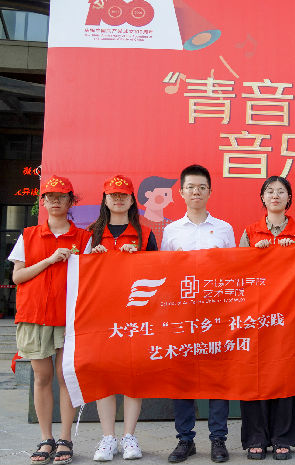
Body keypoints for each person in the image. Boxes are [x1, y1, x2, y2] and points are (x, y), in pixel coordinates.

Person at [8, 175, 91, 464]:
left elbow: (92, 278)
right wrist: (50, 259)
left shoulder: (83, 238)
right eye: (50, 196)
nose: (55, 201)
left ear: (70, 201)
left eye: (61, 196)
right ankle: (46, 439)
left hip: (70, 318)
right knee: (42, 378)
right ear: (42, 202)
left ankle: (66, 439)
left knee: (66, 376)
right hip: (34, 316)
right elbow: (17, 276)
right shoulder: (29, 235)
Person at [161, 165, 235, 463]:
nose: (196, 192)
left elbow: (234, 272)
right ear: (181, 192)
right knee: (182, 377)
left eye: (202, 187)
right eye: (190, 187)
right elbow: (164, 273)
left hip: (216, 314)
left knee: (218, 377)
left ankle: (218, 439)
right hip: (182, 314)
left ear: (209, 192)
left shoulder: (225, 229)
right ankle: (185, 439)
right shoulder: (171, 231)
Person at [85, 175, 158, 461]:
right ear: (104, 200)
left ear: (131, 200)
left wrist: (138, 258)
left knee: (132, 375)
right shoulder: (91, 234)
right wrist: (93, 258)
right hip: (100, 315)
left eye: (123, 195)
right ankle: (108, 437)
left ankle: (129, 436)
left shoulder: (145, 234)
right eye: (112, 195)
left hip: (135, 315)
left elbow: (157, 273)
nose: (118, 199)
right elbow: (80, 276)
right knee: (104, 374)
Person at [238, 176, 295, 461]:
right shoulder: (250, 232)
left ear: (289, 199)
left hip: (289, 316)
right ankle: (256, 437)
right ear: (262, 198)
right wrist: (255, 255)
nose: (275, 195)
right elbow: (237, 270)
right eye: (269, 191)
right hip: (256, 315)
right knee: (254, 374)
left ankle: (283, 437)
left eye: (281, 192)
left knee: (286, 373)